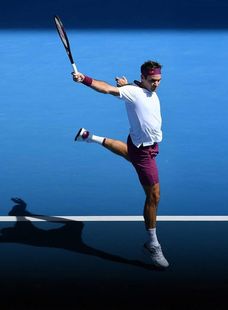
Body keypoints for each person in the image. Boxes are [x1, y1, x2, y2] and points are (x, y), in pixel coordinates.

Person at [72, 60, 169, 268]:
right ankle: (152, 244)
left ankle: (90, 137)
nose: (156, 84)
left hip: (140, 147)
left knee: (127, 153)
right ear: (143, 78)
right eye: (152, 80)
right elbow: (106, 89)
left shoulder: (139, 89)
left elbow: (136, 91)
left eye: (159, 80)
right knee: (154, 195)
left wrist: (127, 86)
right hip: (144, 152)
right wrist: (84, 79)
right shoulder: (134, 92)